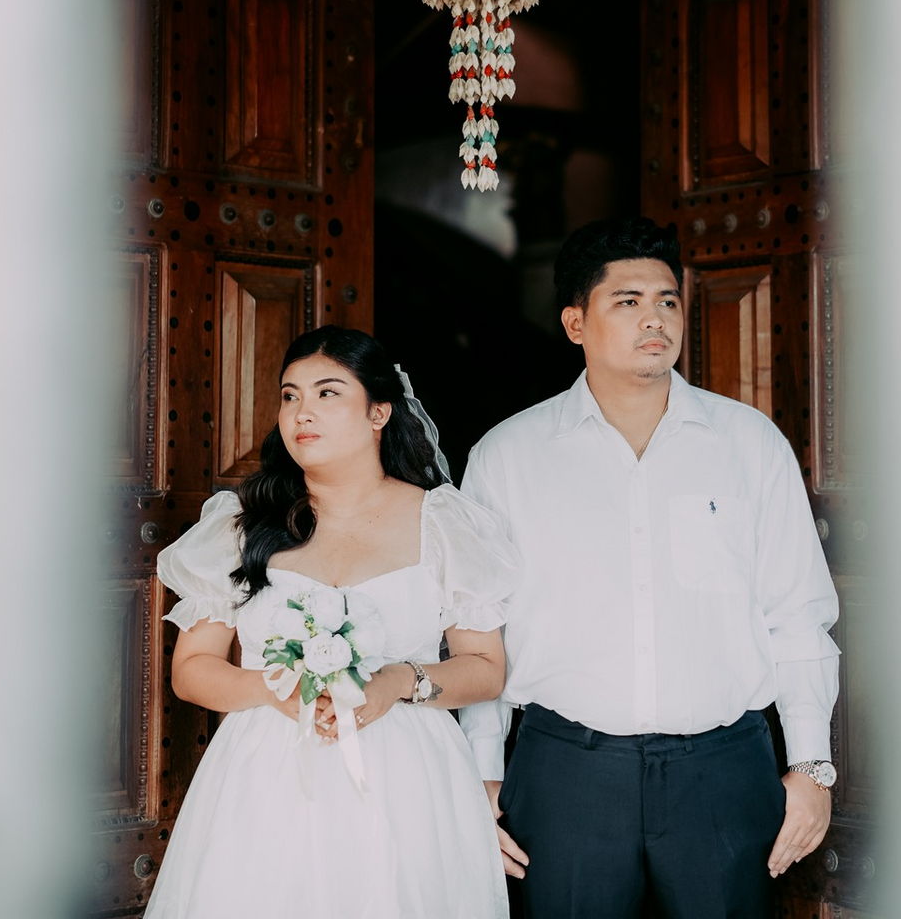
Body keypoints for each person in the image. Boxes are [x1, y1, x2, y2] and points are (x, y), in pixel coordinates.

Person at [460, 217, 841, 919]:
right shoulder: (507, 457)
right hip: (566, 773)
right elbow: (482, 627)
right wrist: (480, 772)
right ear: (575, 323)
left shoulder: (749, 444)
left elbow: (797, 614)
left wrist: (812, 765)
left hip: (722, 771)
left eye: (667, 301)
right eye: (628, 301)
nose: (655, 319)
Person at [145, 326, 517, 919]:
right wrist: (278, 689)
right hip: (267, 775)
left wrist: (399, 681)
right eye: (289, 396)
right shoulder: (242, 522)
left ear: (378, 413)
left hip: (407, 778)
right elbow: (191, 670)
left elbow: (486, 668)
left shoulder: (443, 522)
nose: (302, 413)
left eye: (327, 393)